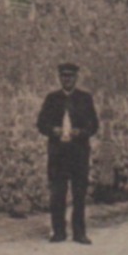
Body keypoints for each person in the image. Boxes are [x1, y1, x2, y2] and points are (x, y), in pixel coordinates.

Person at [35, 63, 99, 245]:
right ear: (59, 78)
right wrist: (52, 130)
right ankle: (59, 231)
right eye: (63, 76)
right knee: (57, 193)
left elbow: (93, 125)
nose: (67, 79)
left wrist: (81, 132)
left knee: (79, 193)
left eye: (70, 76)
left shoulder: (85, 99)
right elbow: (41, 124)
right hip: (58, 154)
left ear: (76, 78)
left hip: (78, 153)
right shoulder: (52, 99)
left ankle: (79, 233)